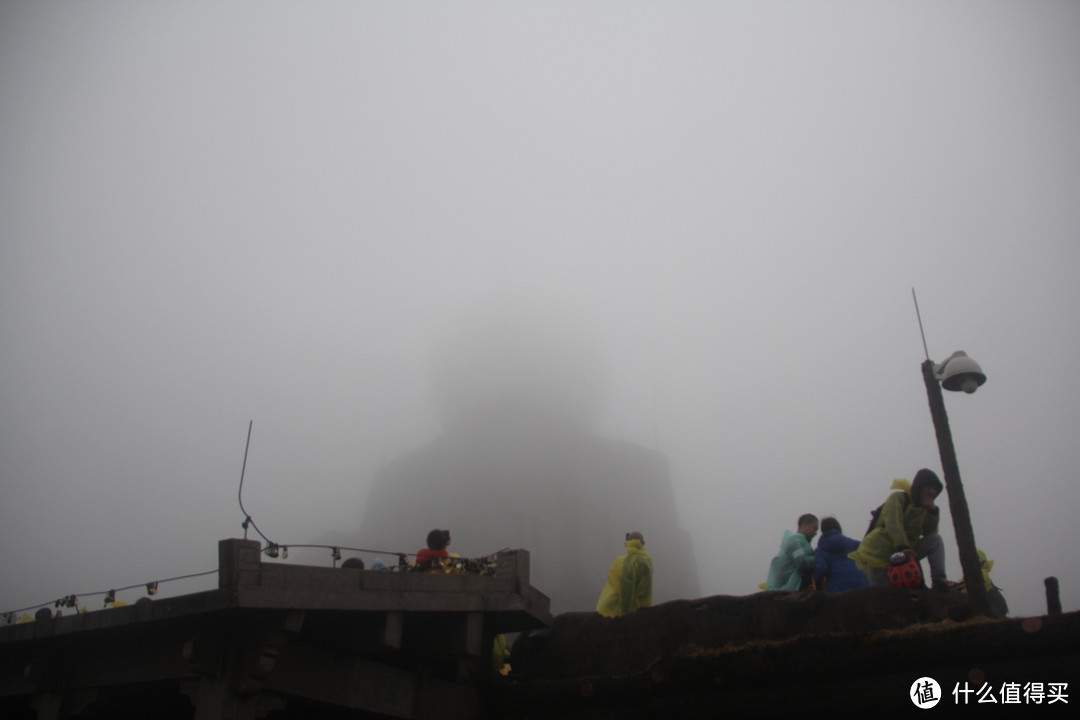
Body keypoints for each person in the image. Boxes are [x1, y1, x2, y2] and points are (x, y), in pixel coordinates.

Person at [849, 469, 950, 590]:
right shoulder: (899, 498)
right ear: (920, 486)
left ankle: (939, 583)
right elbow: (893, 522)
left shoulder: (925, 510)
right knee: (882, 595)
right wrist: (903, 546)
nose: (932, 492)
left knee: (935, 540)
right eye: (929, 487)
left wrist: (933, 512)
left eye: (935, 489)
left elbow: (929, 532)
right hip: (880, 552)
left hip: (907, 551)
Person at [596, 531, 653, 617]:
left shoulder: (622, 562)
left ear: (626, 544)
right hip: (642, 610)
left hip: (614, 610)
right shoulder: (648, 560)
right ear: (643, 543)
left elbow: (627, 591)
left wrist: (625, 614)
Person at [813, 517, 869, 593]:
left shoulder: (821, 549)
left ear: (823, 530)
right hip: (862, 586)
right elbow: (869, 554)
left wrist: (815, 582)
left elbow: (821, 568)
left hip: (838, 591)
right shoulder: (853, 544)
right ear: (838, 527)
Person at [766, 514, 819, 591]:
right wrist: (820, 557)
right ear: (805, 524)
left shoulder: (802, 542)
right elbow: (802, 562)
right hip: (787, 588)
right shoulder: (795, 540)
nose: (815, 533)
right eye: (815, 528)